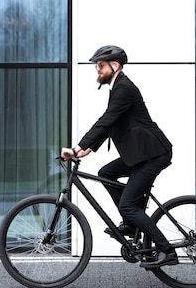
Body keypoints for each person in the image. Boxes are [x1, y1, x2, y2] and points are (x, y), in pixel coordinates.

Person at [61, 45, 177, 268]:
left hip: (152, 154)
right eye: (96, 66)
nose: (97, 70)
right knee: (106, 173)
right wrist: (87, 149)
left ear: (115, 66)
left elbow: (106, 120)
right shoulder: (117, 88)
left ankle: (167, 251)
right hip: (140, 154)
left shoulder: (124, 88)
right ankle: (132, 223)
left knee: (128, 205)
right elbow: (110, 124)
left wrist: (78, 148)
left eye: (101, 65)